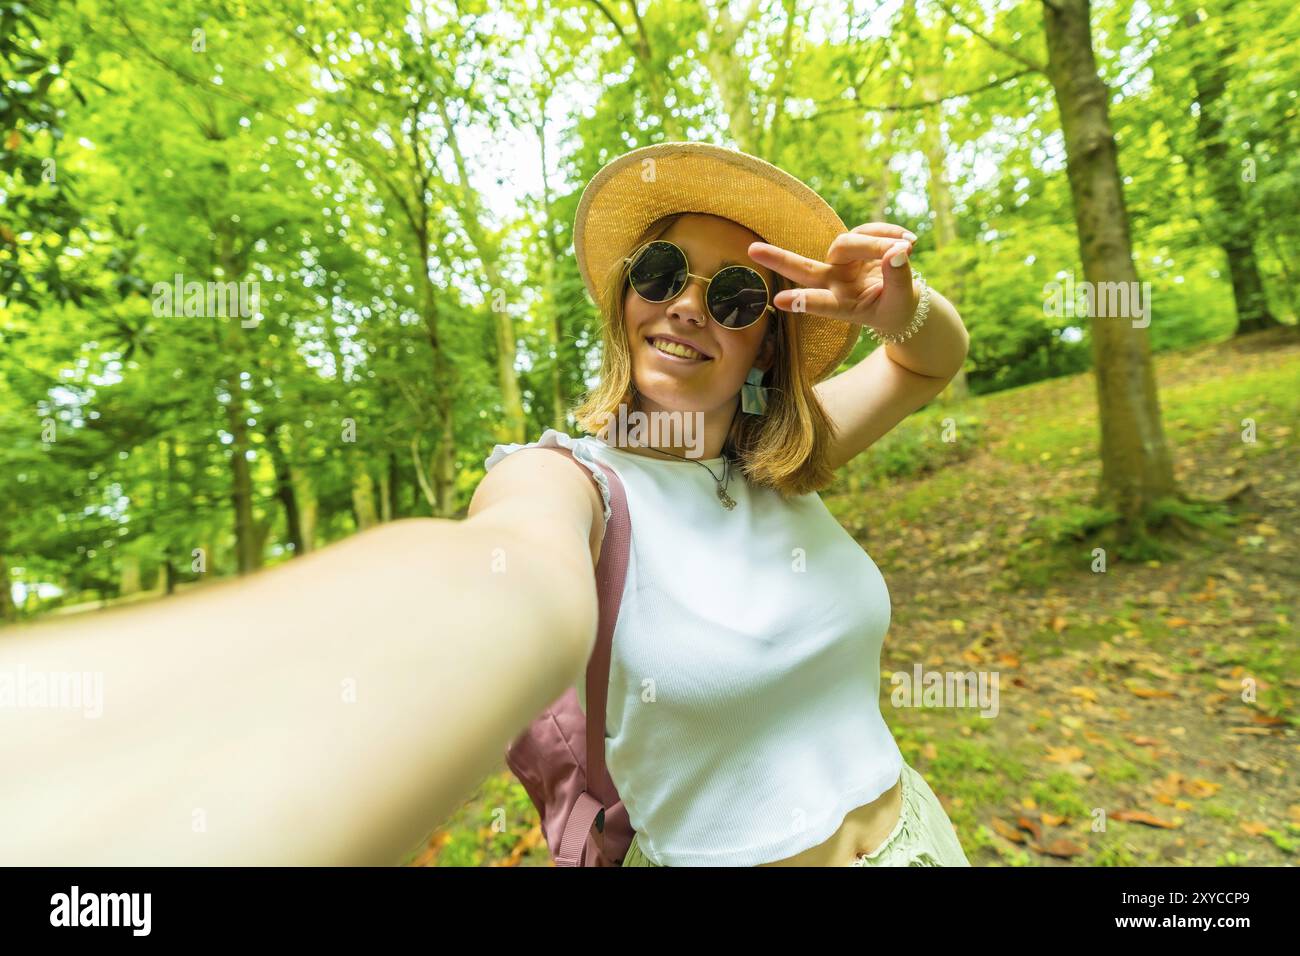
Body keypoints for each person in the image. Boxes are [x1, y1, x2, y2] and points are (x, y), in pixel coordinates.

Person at [0, 142, 970, 867]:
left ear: (768, 342)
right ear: (627, 300)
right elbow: (491, 577)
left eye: (732, 296)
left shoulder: (778, 460)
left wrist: (897, 308)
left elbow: (929, 360)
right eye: (661, 275)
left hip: (920, 832)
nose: (684, 305)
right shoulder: (566, 481)